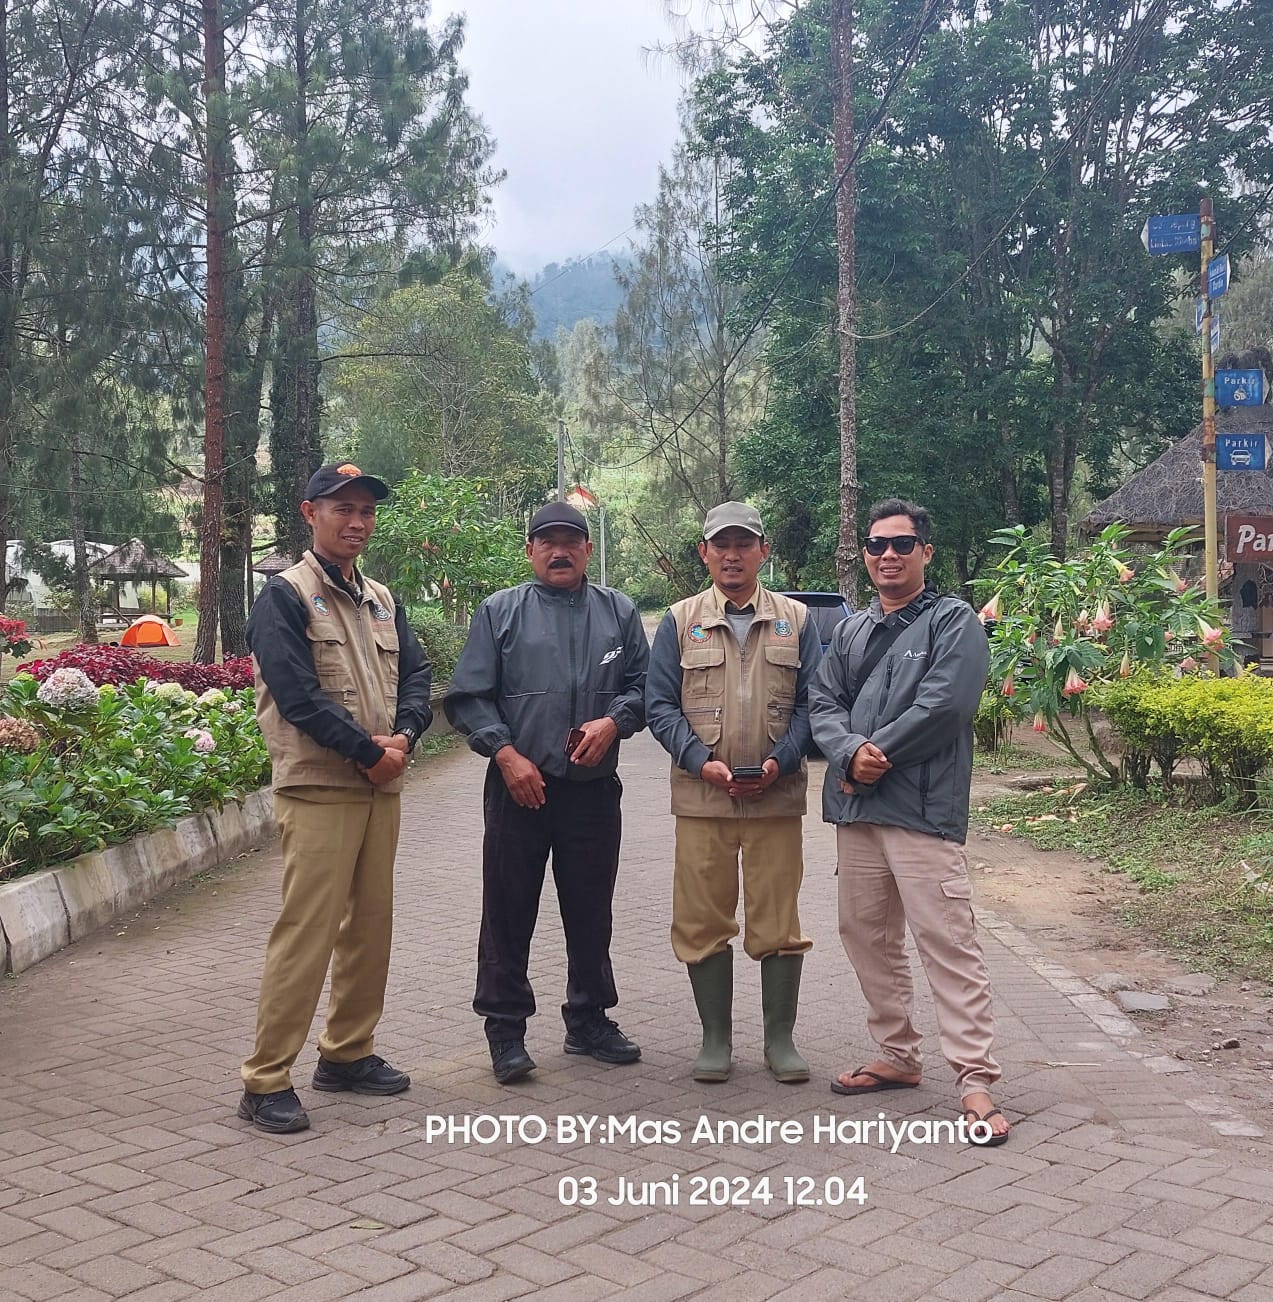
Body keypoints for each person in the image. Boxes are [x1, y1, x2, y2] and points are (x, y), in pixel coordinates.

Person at [238, 463, 433, 1134]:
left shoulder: (380, 597)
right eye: (342, 509)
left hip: (381, 784)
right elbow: (296, 696)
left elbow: (417, 673)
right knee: (308, 933)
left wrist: (404, 736)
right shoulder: (284, 597)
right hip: (320, 788)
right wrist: (369, 752)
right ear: (309, 512)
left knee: (369, 927)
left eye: (366, 511)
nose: (356, 521)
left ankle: (347, 1054)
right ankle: (265, 1081)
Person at [809, 498, 1008, 1145]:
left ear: (925, 550)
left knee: (946, 941)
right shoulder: (850, 630)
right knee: (865, 934)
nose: (887, 556)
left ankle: (975, 1080)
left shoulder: (953, 623)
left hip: (921, 812)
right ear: (864, 556)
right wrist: (846, 751)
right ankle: (896, 1055)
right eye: (875, 546)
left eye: (900, 545)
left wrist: (876, 753)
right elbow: (822, 701)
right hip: (857, 809)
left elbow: (945, 705)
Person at [444, 502, 649, 1085]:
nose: (560, 551)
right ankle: (505, 1031)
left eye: (571, 541)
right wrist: (506, 756)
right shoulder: (499, 612)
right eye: (547, 541)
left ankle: (589, 1020)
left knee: (591, 909)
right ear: (530, 551)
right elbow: (470, 696)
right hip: (518, 787)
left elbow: (642, 686)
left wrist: (613, 721)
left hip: (591, 789)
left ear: (587, 549)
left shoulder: (619, 612)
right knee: (508, 913)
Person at [646, 502, 821, 1084]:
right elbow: (659, 706)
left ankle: (780, 1041)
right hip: (703, 800)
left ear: (762, 551)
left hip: (776, 798)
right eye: (720, 544)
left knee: (778, 920)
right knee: (701, 919)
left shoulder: (796, 619)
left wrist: (782, 759)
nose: (732, 554)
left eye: (744, 544)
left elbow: (812, 705)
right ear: (704, 553)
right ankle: (715, 1039)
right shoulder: (678, 621)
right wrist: (700, 762)